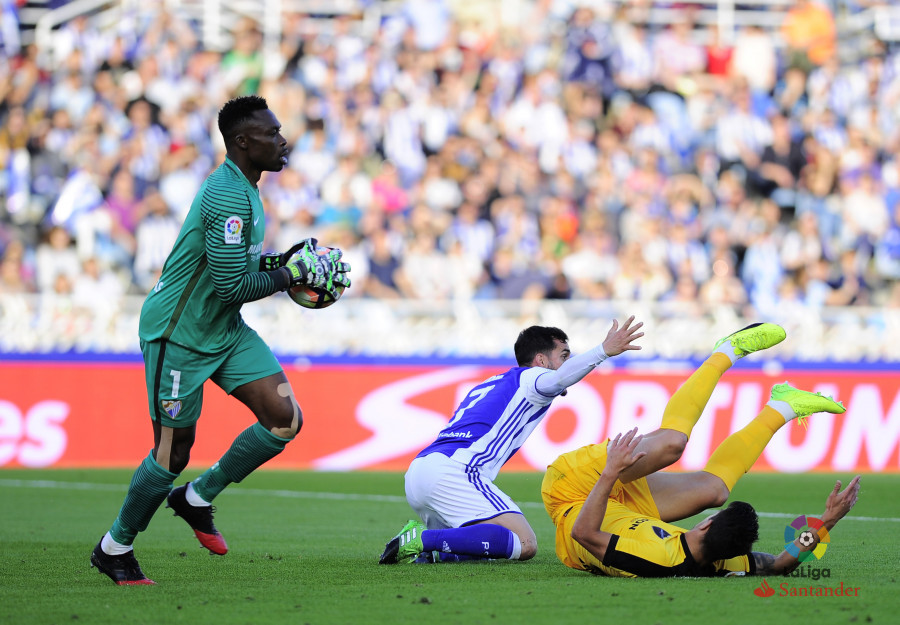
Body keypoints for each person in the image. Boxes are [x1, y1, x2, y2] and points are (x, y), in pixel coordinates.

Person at [90, 95, 351, 585]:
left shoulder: (248, 189)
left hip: (223, 328)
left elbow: (235, 268)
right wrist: (290, 275)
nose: (283, 140)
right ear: (243, 141)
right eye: (272, 133)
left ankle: (197, 497)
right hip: (179, 334)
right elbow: (232, 285)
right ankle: (115, 546)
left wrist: (281, 263)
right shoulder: (227, 195)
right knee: (172, 453)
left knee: (284, 419)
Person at [541, 323, 860, 578]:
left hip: (573, 492)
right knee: (715, 491)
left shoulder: (656, 556)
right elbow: (780, 564)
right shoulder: (716, 561)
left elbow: (584, 533)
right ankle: (782, 407)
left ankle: (726, 351)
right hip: (623, 505)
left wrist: (610, 472)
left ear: (705, 524)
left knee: (672, 445)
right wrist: (828, 520)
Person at [378, 316, 644, 565]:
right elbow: (559, 378)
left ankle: (431, 552)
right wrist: (603, 351)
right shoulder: (532, 377)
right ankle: (422, 539)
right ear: (541, 360)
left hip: (420, 471)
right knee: (524, 543)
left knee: (486, 545)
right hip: (455, 473)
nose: (568, 363)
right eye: (563, 356)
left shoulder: (494, 383)